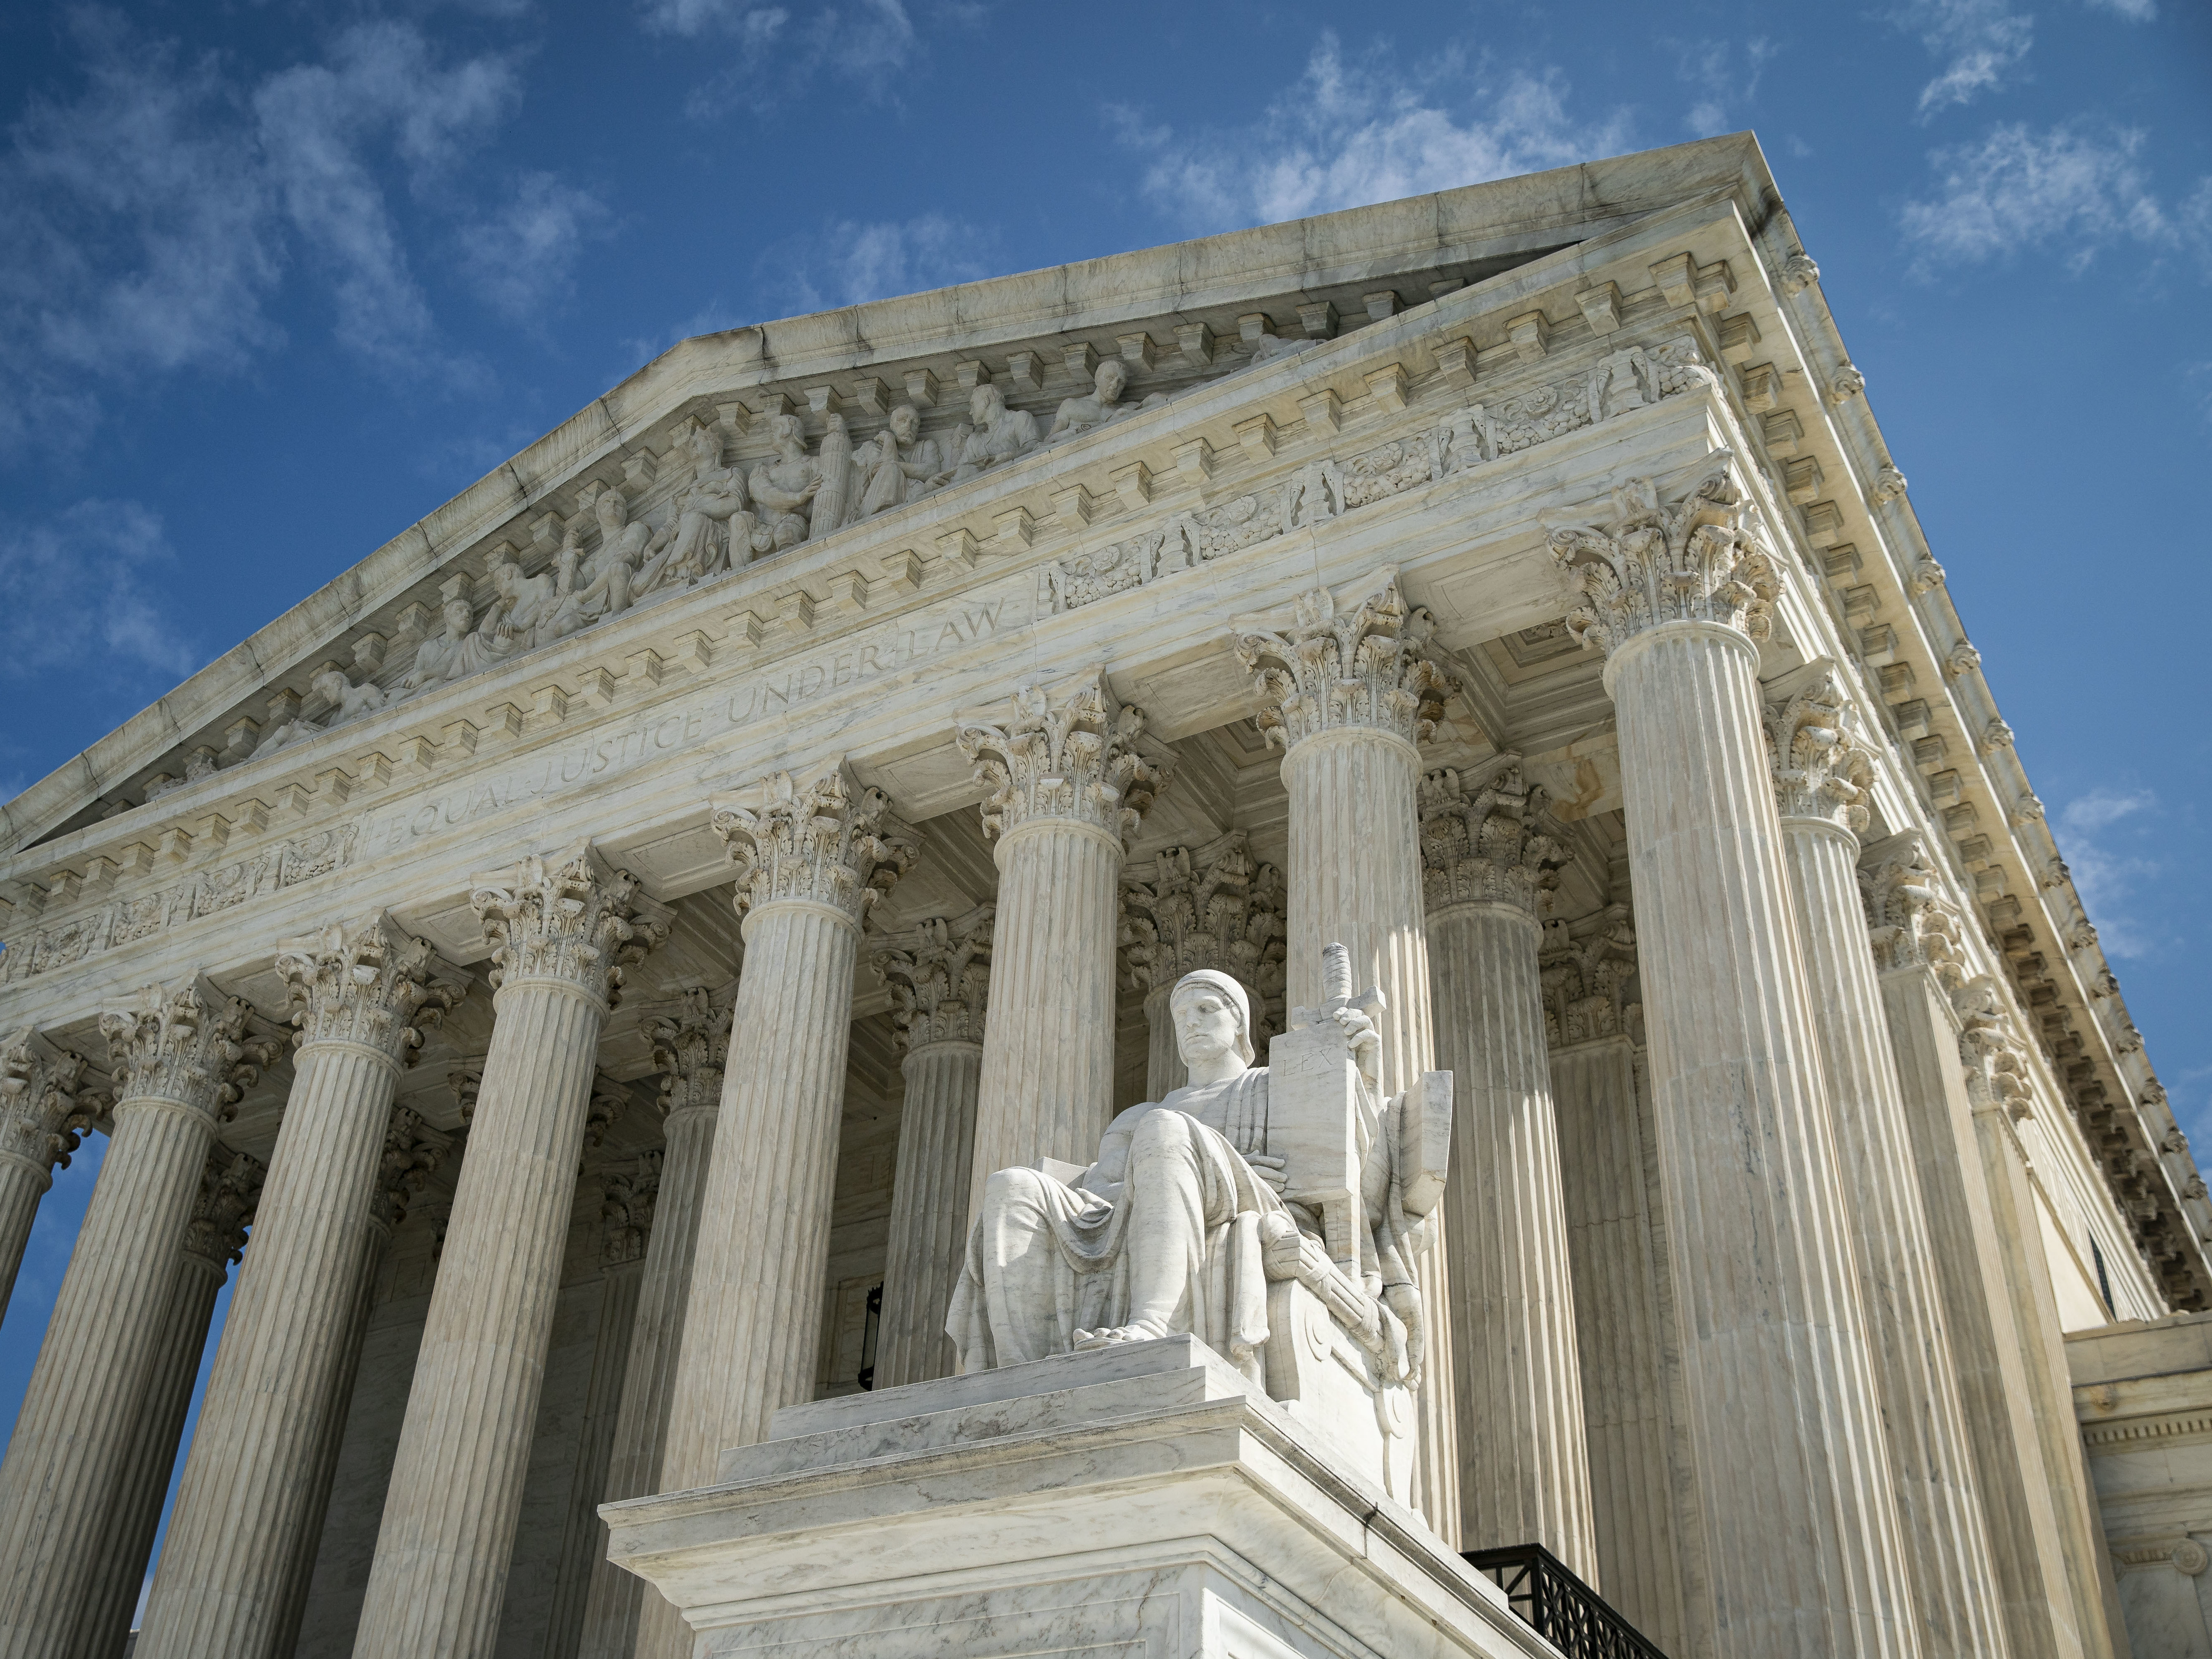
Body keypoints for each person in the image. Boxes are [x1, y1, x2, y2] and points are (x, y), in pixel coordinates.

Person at [946, 966, 1424, 1387]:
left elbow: (1357, 1177)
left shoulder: (1275, 1087)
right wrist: (1187, 1171)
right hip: (1143, 1206)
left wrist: (1361, 1076)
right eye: (1181, 1017)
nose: (1191, 1023)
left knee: (1166, 1131)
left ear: (1240, 1021)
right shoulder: (1142, 1116)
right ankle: (1020, 1369)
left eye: (1206, 1009)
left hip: (1257, 1202)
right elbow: (1099, 1193)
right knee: (1011, 1184)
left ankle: (1153, 1324)